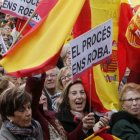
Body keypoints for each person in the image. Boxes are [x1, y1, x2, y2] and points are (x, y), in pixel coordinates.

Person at [26, 73, 96, 140]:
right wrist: (36, 73)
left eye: (82, 92)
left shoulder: (52, 118)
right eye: (74, 93)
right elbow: (33, 96)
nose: (79, 96)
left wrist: (85, 128)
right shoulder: (57, 118)